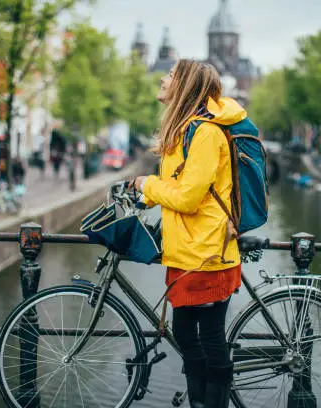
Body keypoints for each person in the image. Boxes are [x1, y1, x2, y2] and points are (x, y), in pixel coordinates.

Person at [130, 59, 244, 408]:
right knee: (183, 334)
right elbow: (177, 185)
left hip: (208, 253)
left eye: (171, 76)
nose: (163, 79)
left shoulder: (206, 133)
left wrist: (147, 185)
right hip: (187, 252)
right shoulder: (185, 131)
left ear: (184, 87)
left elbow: (189, 198)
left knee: (210, 337)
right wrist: (144, 193)